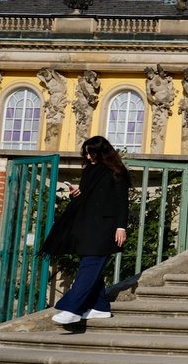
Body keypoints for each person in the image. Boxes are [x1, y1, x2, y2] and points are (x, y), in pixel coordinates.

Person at [48, 136, 130, 325]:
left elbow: (121, 202)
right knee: (92, 267)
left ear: (102, 152)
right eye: (85, 153)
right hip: (87, 227)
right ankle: (101, 308)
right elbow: (91, 197)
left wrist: (121, 227)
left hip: (106, 228)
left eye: (91, 152)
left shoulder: (116, 171)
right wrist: (78, 192)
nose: (88, 156)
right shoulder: (89, 171)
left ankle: (72, 308)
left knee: (90, 266)